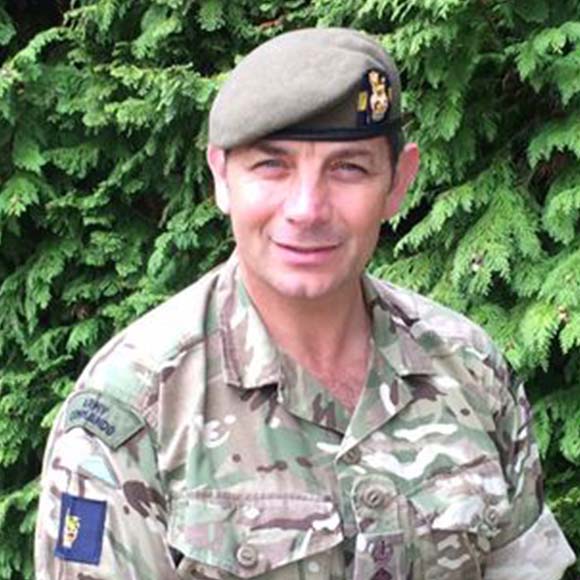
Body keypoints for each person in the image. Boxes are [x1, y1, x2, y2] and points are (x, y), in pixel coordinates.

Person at [35, 27, 576, 579]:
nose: (307, 208)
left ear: (397, 183)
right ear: (221, 177)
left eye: (349, 168)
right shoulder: (135, 410)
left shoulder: (469, 368)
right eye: (272, 165)